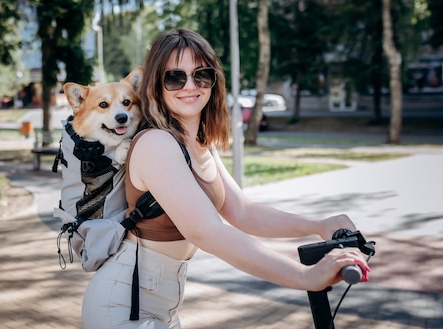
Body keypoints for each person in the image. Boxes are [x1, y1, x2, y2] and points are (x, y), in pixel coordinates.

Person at [81, 28, 371, 329]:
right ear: (156, 85)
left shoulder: (199, 143)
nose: (189, 86)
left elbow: (244, 213)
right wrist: (304, 277)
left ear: (213, 81)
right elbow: (206, 231)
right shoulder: (156, 143)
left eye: (201, 75)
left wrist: (318, 226)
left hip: (161, 304)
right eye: (175, 77)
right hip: (123, 305)